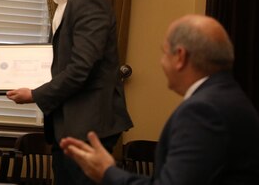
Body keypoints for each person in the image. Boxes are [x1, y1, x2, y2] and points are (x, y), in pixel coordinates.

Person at [60, 14, 259, 185]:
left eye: (164, 53)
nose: (161, 62)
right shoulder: (232, 99)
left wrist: (107, 173)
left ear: (180, 57)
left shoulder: (203, 111)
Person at [6, 0, 133, 185]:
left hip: (88, 126)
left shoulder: (87, 0)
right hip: (71, 125)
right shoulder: (70, 0)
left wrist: (34, 94)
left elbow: (80, 69)